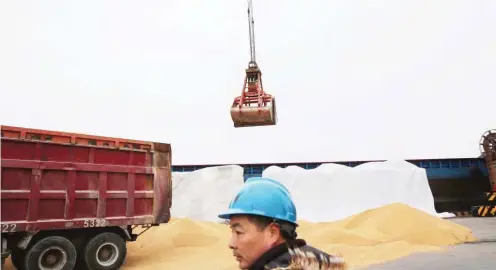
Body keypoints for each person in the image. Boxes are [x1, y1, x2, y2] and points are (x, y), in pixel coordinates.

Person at [218, 177, 346, 270]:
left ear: (272, 233)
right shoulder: (321, 263)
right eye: (232, 232)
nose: (231, 244)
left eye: (239, 232)